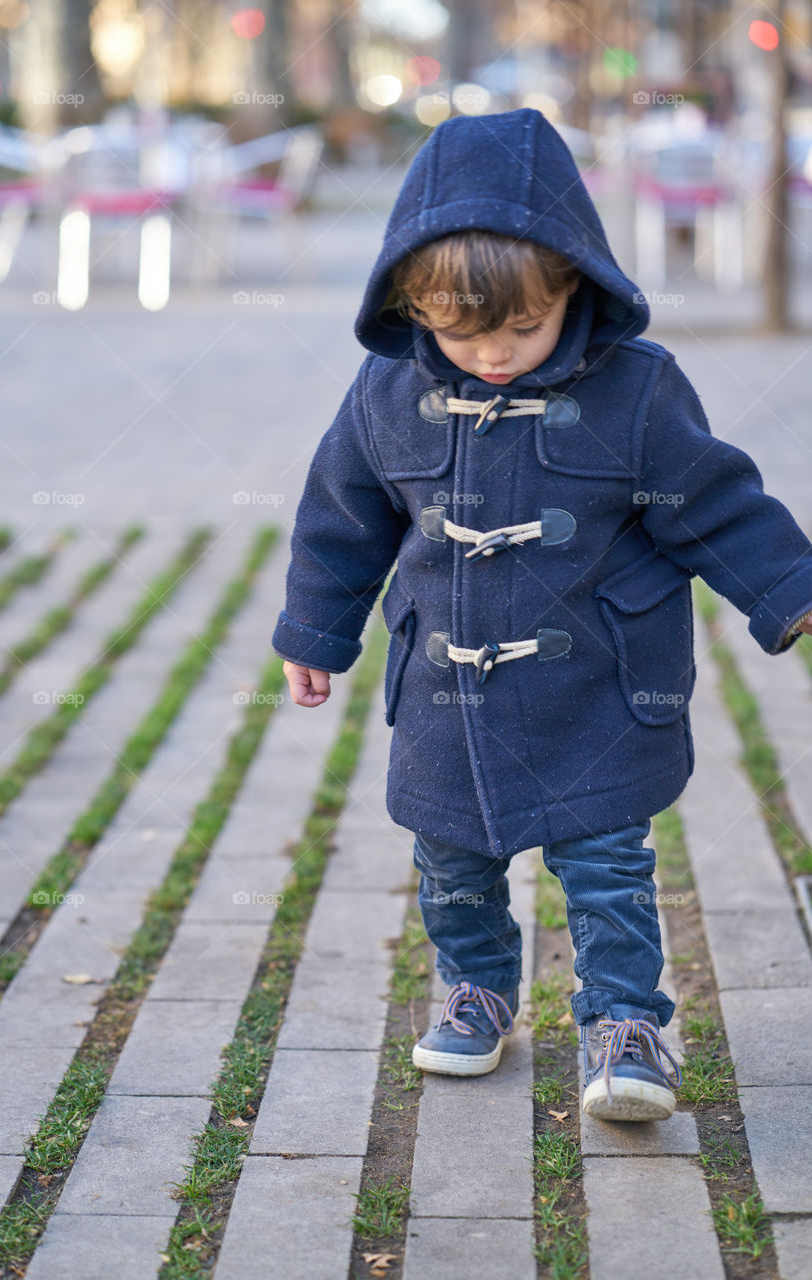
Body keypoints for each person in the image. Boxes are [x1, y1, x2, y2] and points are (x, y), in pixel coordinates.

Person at [271, 108, 812, 1122]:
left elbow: (715, 502)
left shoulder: (636, 390)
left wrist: (792, 591)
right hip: (446, 688)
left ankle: (624, 1020)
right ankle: (476, 992)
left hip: (599, 680)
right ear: (410, 304)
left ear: (574, 284)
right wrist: (314, 632)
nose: (493, 354)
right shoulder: (386, 392)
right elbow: (340, 518)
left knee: (606, 859)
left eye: (523, 326)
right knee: (451, 857)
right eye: (459, 330)